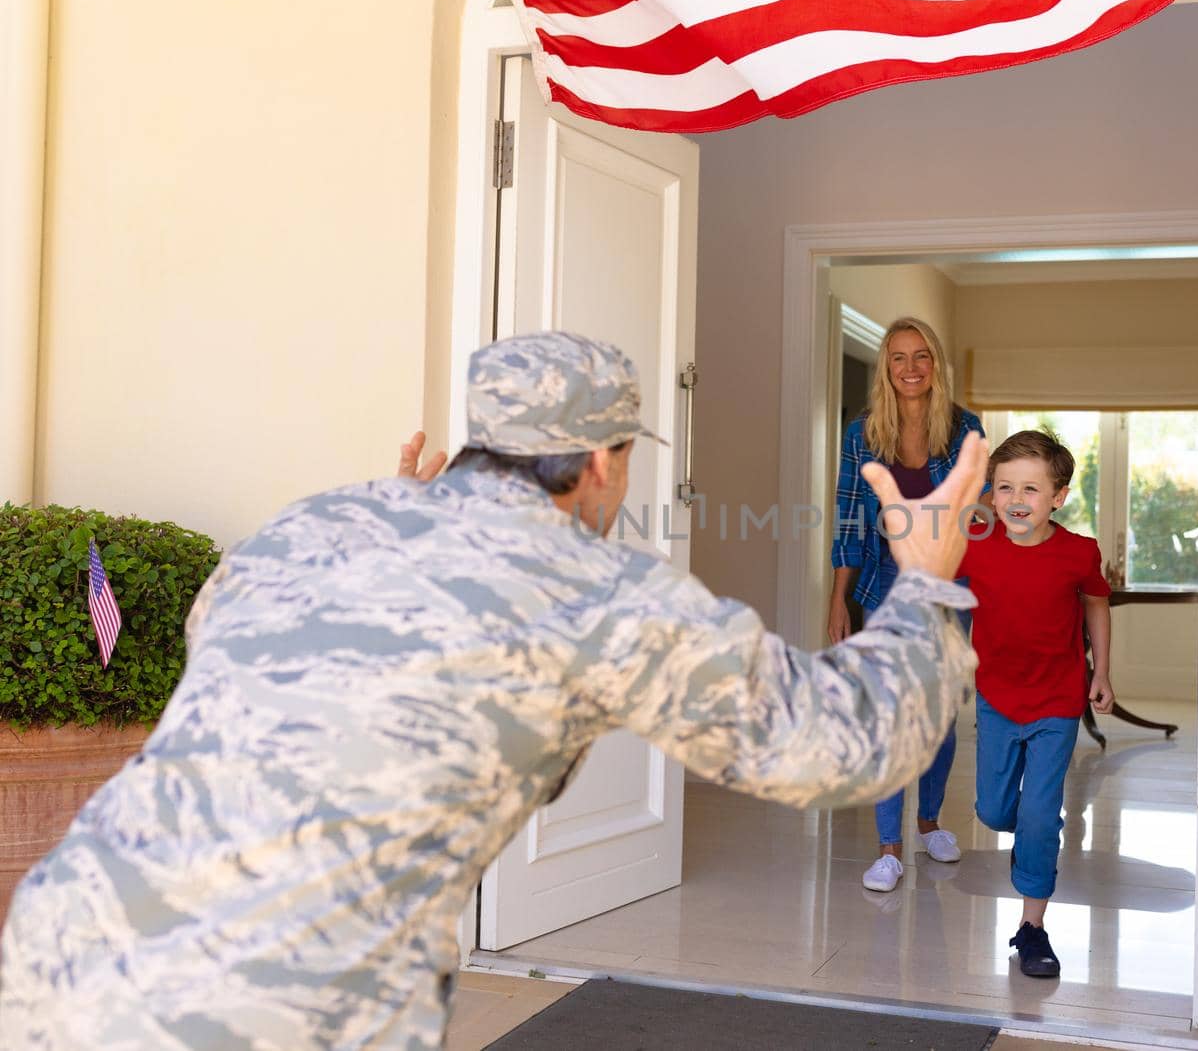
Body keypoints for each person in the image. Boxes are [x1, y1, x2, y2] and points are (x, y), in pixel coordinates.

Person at [0, 332, 989, 1050]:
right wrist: (930, 583)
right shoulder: (598, 589)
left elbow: (215, 632)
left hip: (67, 932)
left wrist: (407, 523)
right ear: (602, 462)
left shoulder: (328, 517)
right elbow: (841, 744)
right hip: (278, 1000)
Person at [828, 316, 986, 893]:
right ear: (885, 368)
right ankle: (889, 847)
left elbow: (979, 515)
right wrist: (838, 599)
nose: (911, 367)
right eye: (898, 357)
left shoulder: (966, 428)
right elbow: (849, 518)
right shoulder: (861, 433)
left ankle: (929, 822)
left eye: (921, 356)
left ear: (935, 363)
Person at [957, 429, 1114, 978]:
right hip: (997, 698)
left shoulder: (1079, 553)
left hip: (1057, 700)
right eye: (1004, 488)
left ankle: (1033, 928)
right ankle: (1036, 821)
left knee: (1038, 814)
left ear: (1058, 497)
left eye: (1030, 488)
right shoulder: (975, 546)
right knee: (996, 811)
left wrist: (1104, 673)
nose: (1016, 500)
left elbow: (1097, 607)